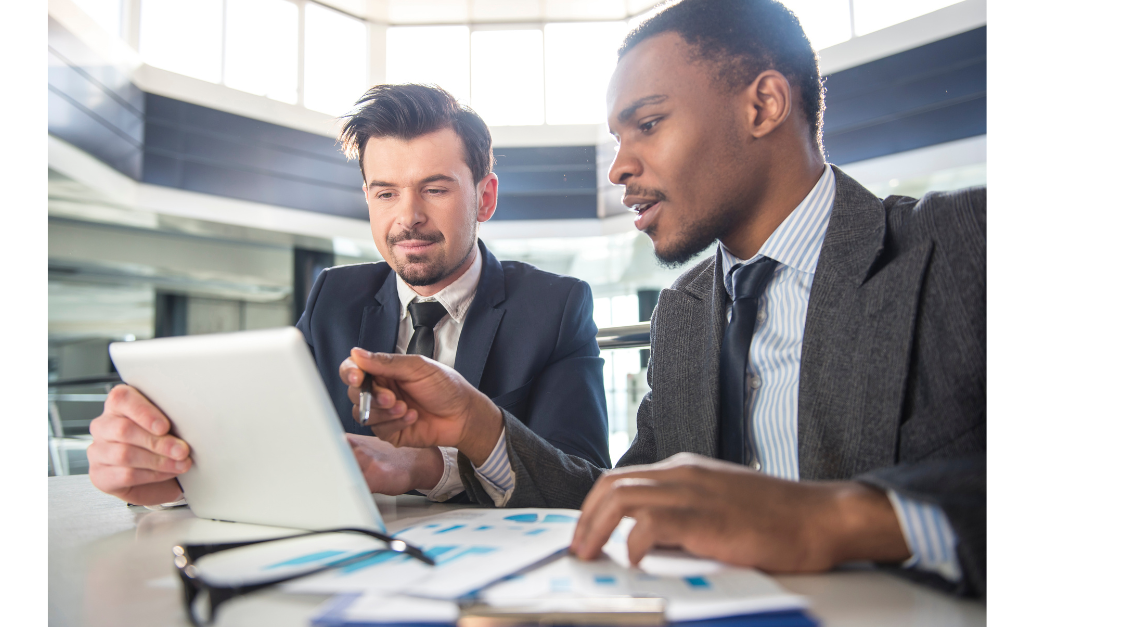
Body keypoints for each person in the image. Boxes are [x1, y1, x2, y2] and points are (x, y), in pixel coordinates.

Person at [342, 0, 985, 597]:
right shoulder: (684, 312)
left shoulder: (965, 243)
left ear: (762, 105)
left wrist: (841, 518)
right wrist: (479, 428)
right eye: (619, 138)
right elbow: (618, 497)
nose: (619, 167)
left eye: (647, 123)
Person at [85, 84, 610, 508]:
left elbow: (581, 483)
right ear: (368, 200)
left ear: (485, 197)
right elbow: (270, 436)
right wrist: (170, 473)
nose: (407, 218)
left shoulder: (556, 307)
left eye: (435, 188)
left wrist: (429, 465)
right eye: (386, 193)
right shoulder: (335, 296)